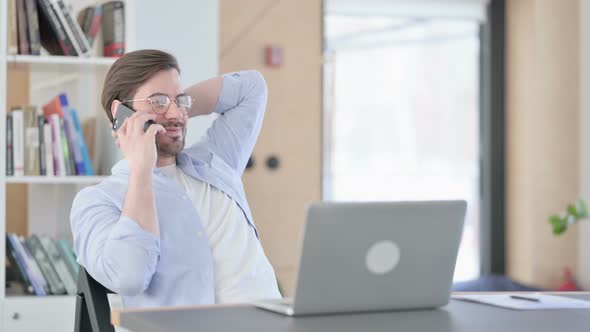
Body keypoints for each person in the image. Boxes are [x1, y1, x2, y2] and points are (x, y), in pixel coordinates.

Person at [70, 49, 282, 308]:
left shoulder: (215, 160)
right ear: (122, 112)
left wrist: (175, 109)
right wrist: (141, 170)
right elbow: (129, 277)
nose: (175, 113)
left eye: (180, 100)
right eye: (157, 100)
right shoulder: (98, 200)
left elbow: (252, 88)